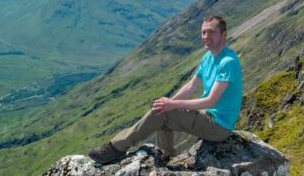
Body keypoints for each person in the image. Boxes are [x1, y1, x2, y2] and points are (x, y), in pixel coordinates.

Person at [88, 15, 243, 164]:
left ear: (223, 34)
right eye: (203, 32)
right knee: (162, 110)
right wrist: (168, 102)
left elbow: (211, 101)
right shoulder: (208, 57)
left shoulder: (227, 62)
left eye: (211, 32)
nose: (205, 36)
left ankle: (117, 147)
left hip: (219, 126)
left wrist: (173, 105)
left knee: (163, 113)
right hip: (210, 117)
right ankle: (166, 155)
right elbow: (191, 86)